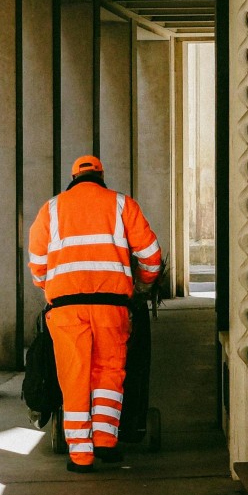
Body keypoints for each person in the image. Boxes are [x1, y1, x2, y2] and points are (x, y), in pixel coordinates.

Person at [28, 155, 162, 473]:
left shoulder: (51, 209)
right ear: (101, 176)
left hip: (66, 309)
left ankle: (81, 456)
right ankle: (105, 441)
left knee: (74, 376)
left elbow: (37, 264)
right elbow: (151, 257)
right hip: (111, 305)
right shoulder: (122, 204)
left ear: (72, 178)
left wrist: (50, 284)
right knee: (109, 372)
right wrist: (141, 283)